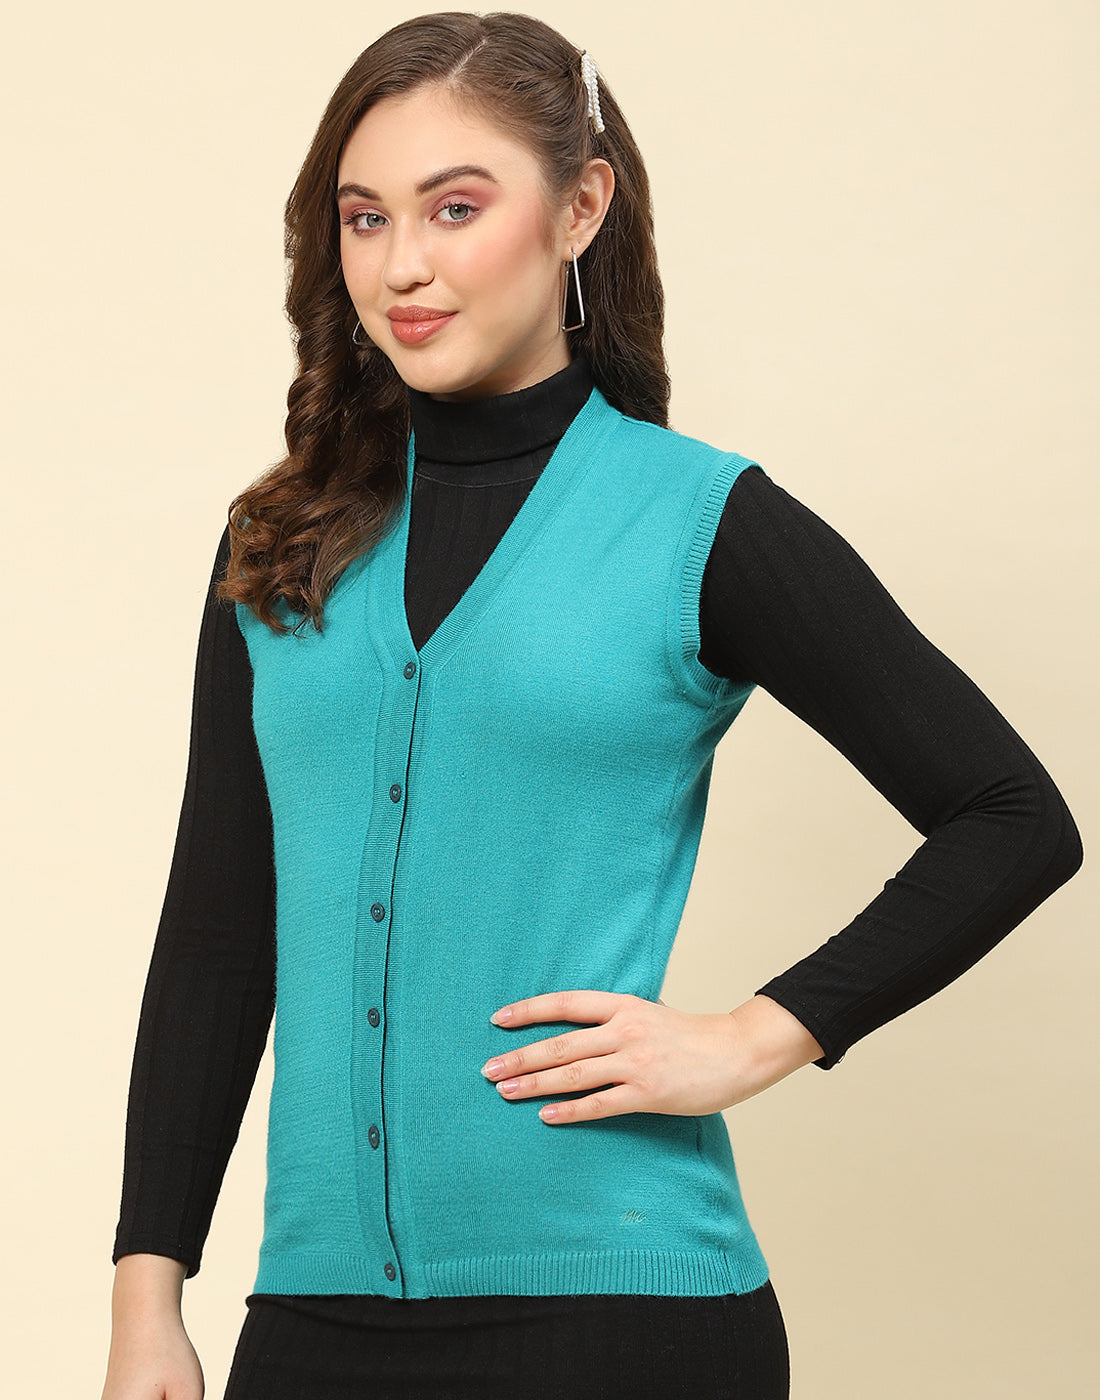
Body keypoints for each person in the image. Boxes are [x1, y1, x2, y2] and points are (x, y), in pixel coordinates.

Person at [101, 12, 1083, 1400]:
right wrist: (148, 1296)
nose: (404, 264)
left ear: (580, 207)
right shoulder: (279, 545)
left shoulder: (696, 523)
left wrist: (754, 1036)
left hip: (625, 1319)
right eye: (365, 218)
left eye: (456, 208)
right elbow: (217, 929)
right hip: (316, 1316)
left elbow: (1013, 816)